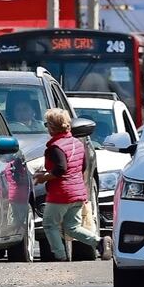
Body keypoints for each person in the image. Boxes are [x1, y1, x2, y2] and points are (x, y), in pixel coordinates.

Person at [34, 108, 103, 261]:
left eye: (47, 124)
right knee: (72, 228)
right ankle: (100, 242)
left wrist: (43, 177)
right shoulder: (77, 143)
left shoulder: (55, 147)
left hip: (61, 193)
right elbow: (83, 166)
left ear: (52, 127)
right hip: (78, 192)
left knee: (49, 224)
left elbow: (60, 169)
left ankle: (60, 256)